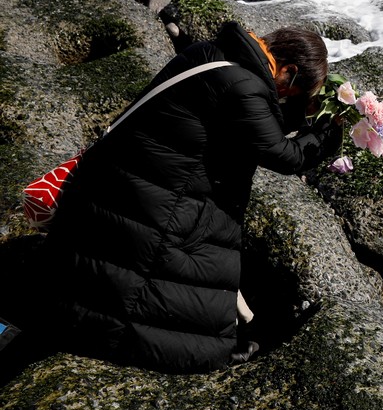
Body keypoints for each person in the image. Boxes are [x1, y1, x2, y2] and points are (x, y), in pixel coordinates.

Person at [41, 21, 342, 373]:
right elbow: (283, 155)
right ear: (288, 70)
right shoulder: (243, 86)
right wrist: (324, 137)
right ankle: (205, 350)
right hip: (157, 197)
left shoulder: (210, 54)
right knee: (190, 267)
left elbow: (251, 118)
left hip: (120, 180)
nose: (285, 97)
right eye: (292, 91)